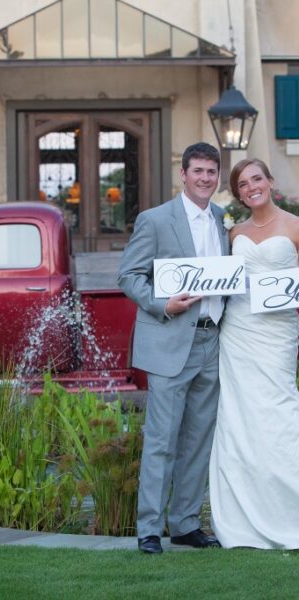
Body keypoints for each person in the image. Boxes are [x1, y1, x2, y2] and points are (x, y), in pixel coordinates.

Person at [118, 142, 229, 553]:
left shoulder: (222, 219)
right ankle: (149, 528)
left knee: (199, 438)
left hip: (212, 341)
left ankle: (184, 523)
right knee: (162, 439)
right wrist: (161, 304)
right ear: (183, 174)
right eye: (198, 171)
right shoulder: (155, 220)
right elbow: (129, 276)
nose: (205, 178)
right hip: (169, 341)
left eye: (211, 172)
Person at [209, 158, 299, 549]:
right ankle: (240, 519)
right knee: (238, 419)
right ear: (239, 194)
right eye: (242, 184)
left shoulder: (295, 226)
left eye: (256, 179)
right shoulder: (233, 233)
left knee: (280, 415)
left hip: (278, 332)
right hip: (239, 331)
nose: (251, 188)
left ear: (270, 181)